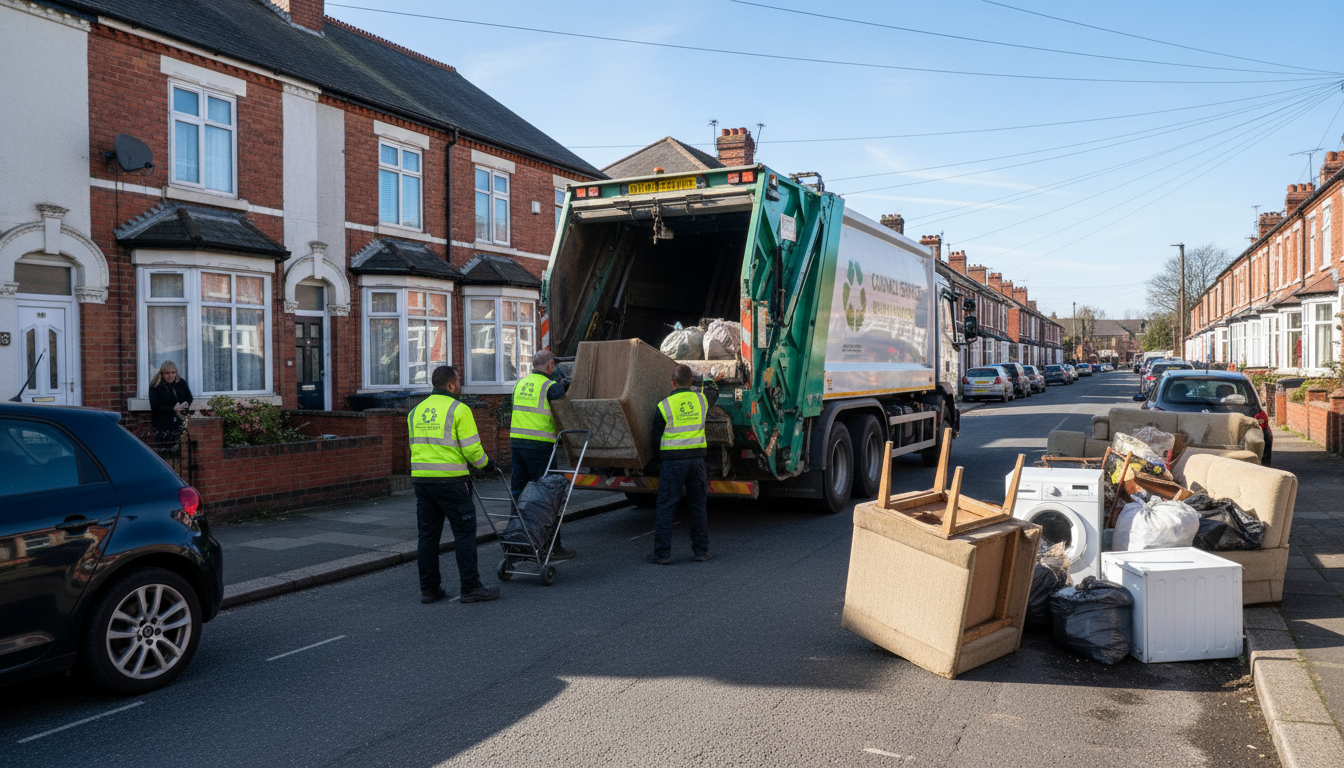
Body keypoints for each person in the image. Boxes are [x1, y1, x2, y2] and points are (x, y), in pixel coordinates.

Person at [408, 365, 500, 604]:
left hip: (422, 481)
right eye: (458, 381)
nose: (460, 385)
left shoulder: (415, 411)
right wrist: (487, 465)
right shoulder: (459, 409)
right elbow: (472, 449)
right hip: (451, 482)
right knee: (464, 533)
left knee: (427, 536)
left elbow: (414, 446)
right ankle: (470, 587)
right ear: (450, 385)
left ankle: (429, 589)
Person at [646, 364, 718, 565]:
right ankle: (701, 551)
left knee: (666, 507)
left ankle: (663, 553)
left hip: (673, 462)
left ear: (672, 382)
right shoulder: (701, 399)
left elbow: (654, 438)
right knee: (697, 505)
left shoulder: (664, 405)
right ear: (691, 382)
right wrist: (707, 379)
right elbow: (714, 390)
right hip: (697, 462)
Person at [508, 349, 576, 560]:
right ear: (549, 366)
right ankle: (552, 547)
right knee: (547, 495)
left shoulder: (519, 384)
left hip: (517, 445)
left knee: (518, 493)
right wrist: (565, 383)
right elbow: (563, 405)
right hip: (539, 447)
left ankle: (515, 543)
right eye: (553, 366)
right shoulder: (550, 386)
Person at [148, 361, 192, 453]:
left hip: (179, 423)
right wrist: (172, 409)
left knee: (181, 452)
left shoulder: (181, 383)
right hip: (162, 424)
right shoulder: (155, 386)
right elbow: (155, 406)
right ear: (162, 373)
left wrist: (184, 406)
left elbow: (189, 398)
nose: (170, 375)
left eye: (173, 372)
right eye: (167, 373)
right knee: (165, 453)